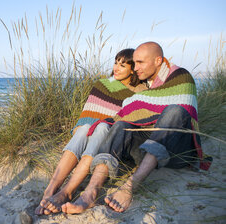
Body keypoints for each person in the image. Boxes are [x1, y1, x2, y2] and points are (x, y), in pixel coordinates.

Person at [60, 41, 212, 214]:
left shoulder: (180, 76)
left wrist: (140, 102)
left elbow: (183, 109)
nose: (136, 67)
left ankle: (129, 187)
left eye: (140, 62)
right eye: (135, 62)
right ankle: (91, 192)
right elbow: (132, 109)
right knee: (121, 125)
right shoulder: (145, 86)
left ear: (158, 60)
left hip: (177, 149)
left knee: (175, 110)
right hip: (148, 148)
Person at [35, 48, 147, 215]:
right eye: (115, 63)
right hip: (90, 132)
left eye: (123, 65)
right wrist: (86, 128)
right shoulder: (102, 84)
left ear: (133, 69)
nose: (116, 68)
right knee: (84, 129)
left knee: (101, 127)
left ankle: (67, 191)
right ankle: (51, 189)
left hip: (112, 140)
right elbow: (88, 115)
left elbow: (132, 120)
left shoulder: (139, 91)